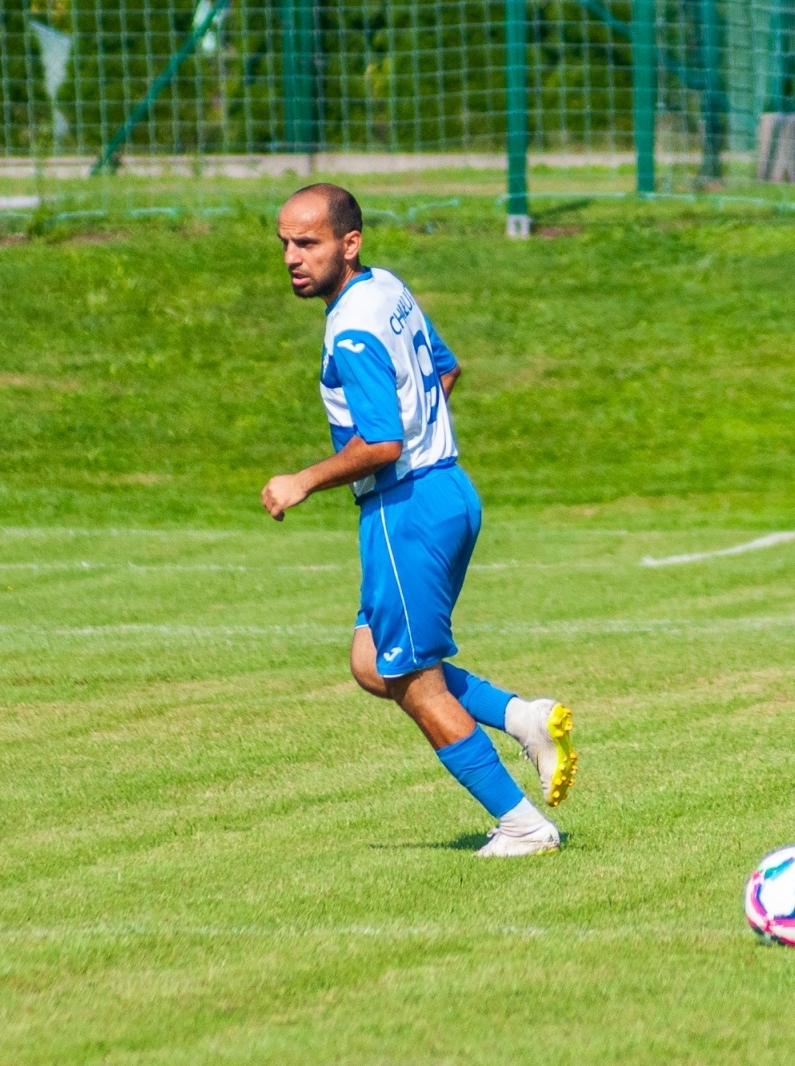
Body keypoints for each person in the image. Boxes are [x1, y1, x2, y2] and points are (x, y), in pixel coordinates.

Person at [262, 183, 576, 857]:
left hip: (405, 508)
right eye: (285, 243)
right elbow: (446, 368)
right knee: (373, 663)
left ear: (349, 244)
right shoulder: (385, 289)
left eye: (307, 243)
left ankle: (523, 825)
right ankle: (522, 717)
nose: (292, 256)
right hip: (448, 491)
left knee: (411, 680)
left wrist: (302, 480)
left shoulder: (350, 328)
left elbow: (382, 444)